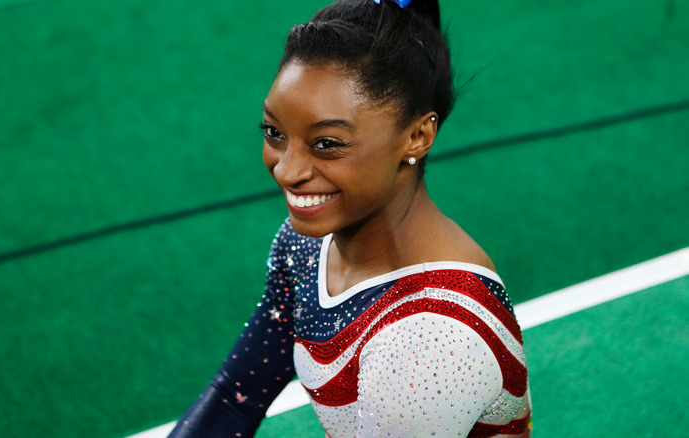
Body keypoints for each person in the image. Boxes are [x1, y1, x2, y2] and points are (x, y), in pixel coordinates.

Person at [168, 0, 531, 436]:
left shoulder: (433, 338)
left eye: (326, 144)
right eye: (274, 133)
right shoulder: (306, 246)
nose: (287, 170)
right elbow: (235, 395)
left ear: (418, 136)